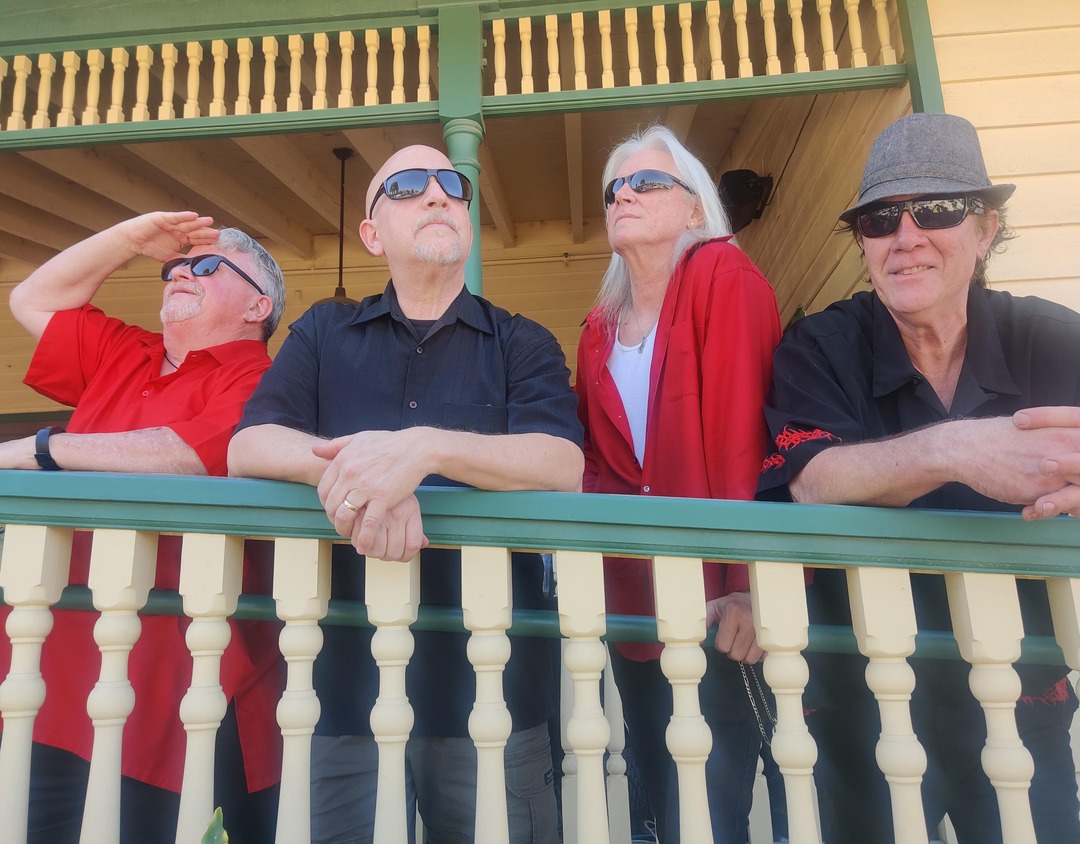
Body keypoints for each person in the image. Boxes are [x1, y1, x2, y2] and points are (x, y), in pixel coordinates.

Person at [228, 144, 584, 844]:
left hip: (494, 689)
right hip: (342, 687)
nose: (437, 193)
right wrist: (366, 479)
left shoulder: (521, 342)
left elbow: (562, 463)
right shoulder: (324, 332)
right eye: (408, 185)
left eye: (450, 183)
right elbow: (250, 446)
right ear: (372, 233)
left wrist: (423, 451)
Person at [758, 112, 1080, 842]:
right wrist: (955, 449)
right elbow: (812, 480)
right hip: (861, 697)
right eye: (879, 220)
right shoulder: (820, 344)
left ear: (986, 229)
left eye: (934, 209)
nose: (905, 237)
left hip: (1021, 689)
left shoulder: (1053, 339)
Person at [0, 212, 287, 842]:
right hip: (43, 662)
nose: (181, 272)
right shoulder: (125, 353)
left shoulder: (266, 380)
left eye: (206, 266)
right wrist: (129, 240)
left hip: (167, 681)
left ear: (257, 306)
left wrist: (43, 448)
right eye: (174, 268)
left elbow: (192, 454)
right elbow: (32, 299)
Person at [574, 125, 783, 843]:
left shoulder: (723, 275)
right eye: (614, 187)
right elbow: (594, 465)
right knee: (661, 801)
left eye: (647, 182)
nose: (624, 194)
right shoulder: (597, 330)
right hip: (634, 609)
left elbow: (743, 439)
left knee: (716, 808)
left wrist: (750, 584)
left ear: (695, 208)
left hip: (720, 604)